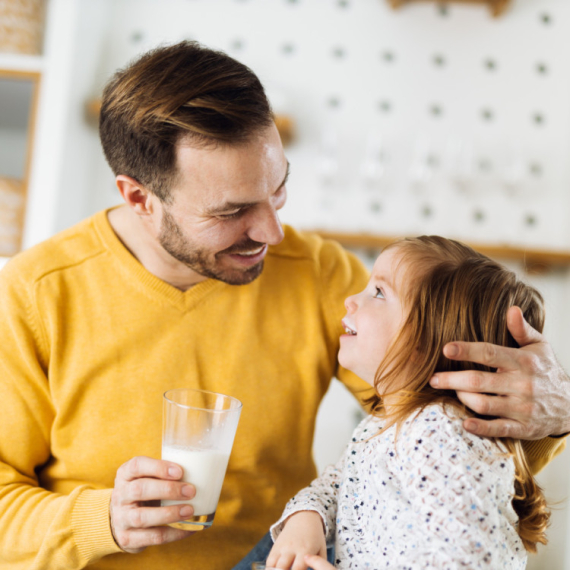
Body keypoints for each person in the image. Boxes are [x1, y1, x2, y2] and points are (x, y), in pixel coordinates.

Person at [0, 40, 565, 570]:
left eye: (278, 189)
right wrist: (101, 520)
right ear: (139, 198)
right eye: (231, 212)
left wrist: (549, 413)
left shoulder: (319, 275)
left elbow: (440, 440)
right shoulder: (34, 294)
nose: (271, 231)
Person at [265, 236, 551, 570]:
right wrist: (307, 517)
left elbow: (467, 562)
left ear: (429, 338)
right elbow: (336, 486)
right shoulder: (386, 424)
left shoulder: (439, 433)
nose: (350, 301)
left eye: (379, 293)